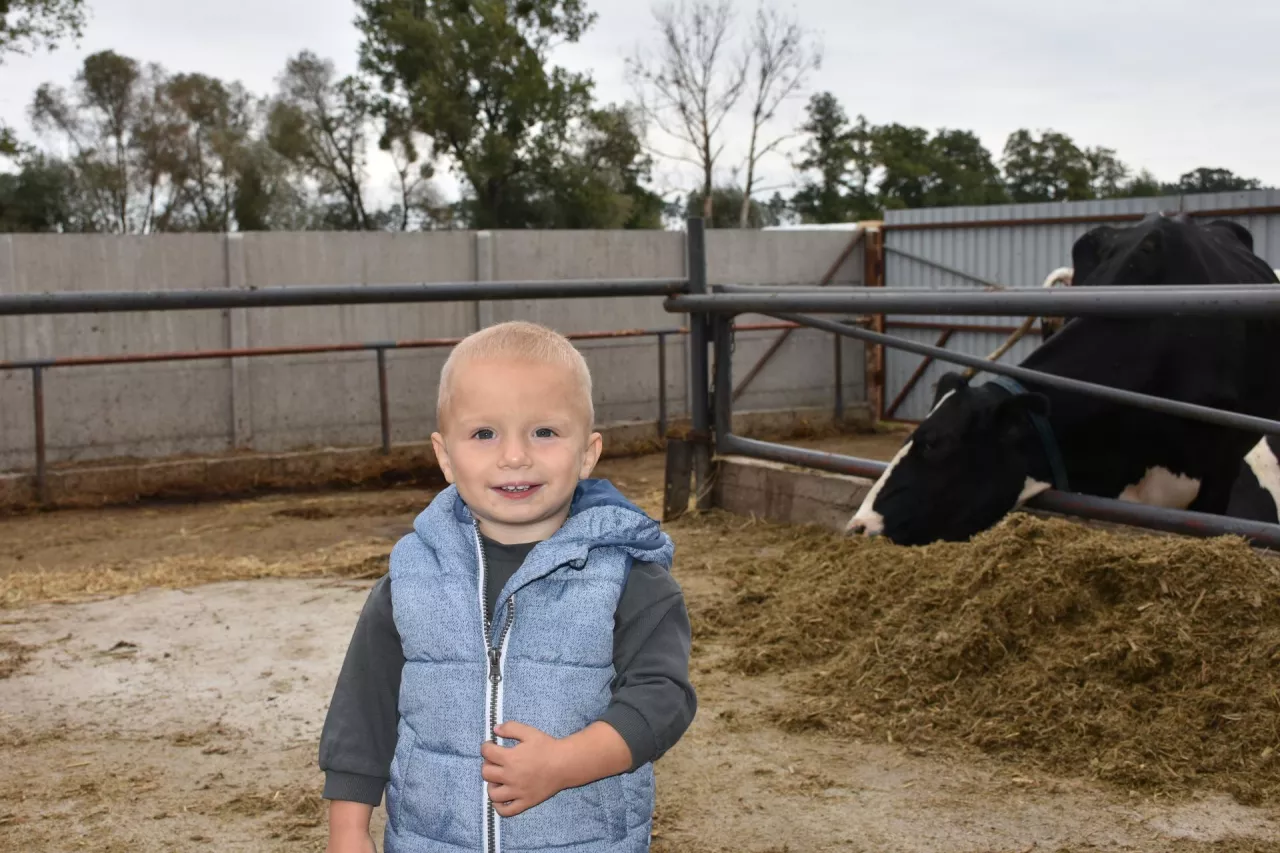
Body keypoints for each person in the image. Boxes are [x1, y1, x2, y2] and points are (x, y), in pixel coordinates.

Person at [319, 320, 697, 853]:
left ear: (587, 453)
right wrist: (349, 830)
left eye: (544, 432)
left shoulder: (630, 578)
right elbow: (364, 709)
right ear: (445, 457)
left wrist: (567, 763)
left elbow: (664, 699)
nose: (515, 455)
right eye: (484, 434)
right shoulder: (410, 582)